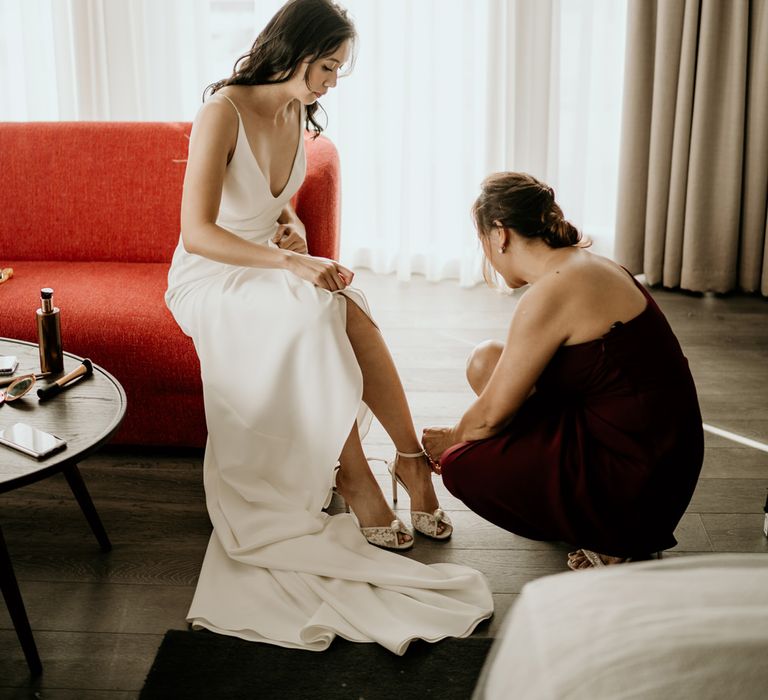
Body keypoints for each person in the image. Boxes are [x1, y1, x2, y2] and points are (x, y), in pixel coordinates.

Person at [164, 0, 492, 653]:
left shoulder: (294, 113)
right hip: (212, 278)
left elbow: (270, 211)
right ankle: (355, 479)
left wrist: (293, 235)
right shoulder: (220, 112)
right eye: (329, 65)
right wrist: (292, 260)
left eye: (340, 69)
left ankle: (409, 463)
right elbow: (199, 234)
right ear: (294, 50)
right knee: (315, 309)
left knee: (350, 301)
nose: (333, 81)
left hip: (269, 265)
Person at [422, 172, 704, 570]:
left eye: (482, 239)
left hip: (640, 477)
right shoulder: (585, 264)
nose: (485, 251)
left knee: (461, 464)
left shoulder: (554, 291)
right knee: (487, 361)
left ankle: (614, 536)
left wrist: (448, 442)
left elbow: (490, 417)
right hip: (653, 447)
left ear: (500, 234)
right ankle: (588, 510)